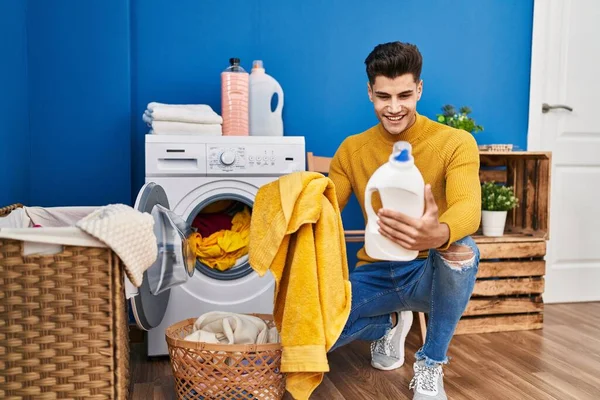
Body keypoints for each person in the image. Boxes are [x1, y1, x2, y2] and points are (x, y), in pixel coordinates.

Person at [327, 41, 482, 400]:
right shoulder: (352, 149)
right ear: (369, 92)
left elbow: (468, 207)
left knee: (462, 250)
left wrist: (438, 233)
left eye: (404, 96)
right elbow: (325, 204)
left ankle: (430, 362)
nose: (394, 108)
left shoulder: (455, 143)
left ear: (419, 90)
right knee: (314, 333)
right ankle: (390, 322)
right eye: (383, 97)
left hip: (428, 272)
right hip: (374, 274)